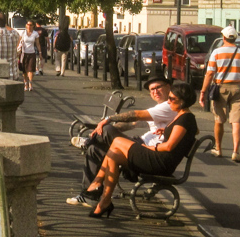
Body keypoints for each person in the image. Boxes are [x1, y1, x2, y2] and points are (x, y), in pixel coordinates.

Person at [83, 83, 198, 218]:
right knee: (114, 154)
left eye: (172, 99)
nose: (168, 101)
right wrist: (167, 131)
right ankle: (104, 201)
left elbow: (169, 146)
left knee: (117, 142)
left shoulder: (186, 118)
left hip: (161, 162)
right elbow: (190, 132)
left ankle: (97, 183)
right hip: (159, 158)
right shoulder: (182, 115)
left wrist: (150, 147)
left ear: (183, 101)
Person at [66, 76, 177, 207]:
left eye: (158, 87)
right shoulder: (160, 108)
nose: (155, 91)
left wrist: (108, 120)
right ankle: (89, 196)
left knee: (106, 129)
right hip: (140, 144)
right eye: (152, 89)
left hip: (146, 151)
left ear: (169, 87)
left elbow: (136, 115)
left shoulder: (168, 107)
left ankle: (88, 141)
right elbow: (134, 123)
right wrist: (102, 133)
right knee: (95, 149)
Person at [199, 25, 240, 162]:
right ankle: (235, 151)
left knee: (219, 119)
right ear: (235, 38)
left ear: (223, 37)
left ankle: (219, 149)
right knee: (237, 121)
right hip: (238, 87)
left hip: (220, 87)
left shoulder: (216, 53)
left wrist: (203, 91)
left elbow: (210, 73)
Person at [18, 21, 41, 91]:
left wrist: (40, 52)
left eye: (30, 25)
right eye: (28, 24)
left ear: (33, 26)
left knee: (30, 69)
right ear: (26, 25)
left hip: (32, 53)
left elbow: (37, 43)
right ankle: (25, 84)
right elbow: (19, 42)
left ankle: (30, 83)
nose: (29, 26)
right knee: (24, 70)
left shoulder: (35, 33)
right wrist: (17, 50)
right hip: (24, 53)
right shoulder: (23, 33)